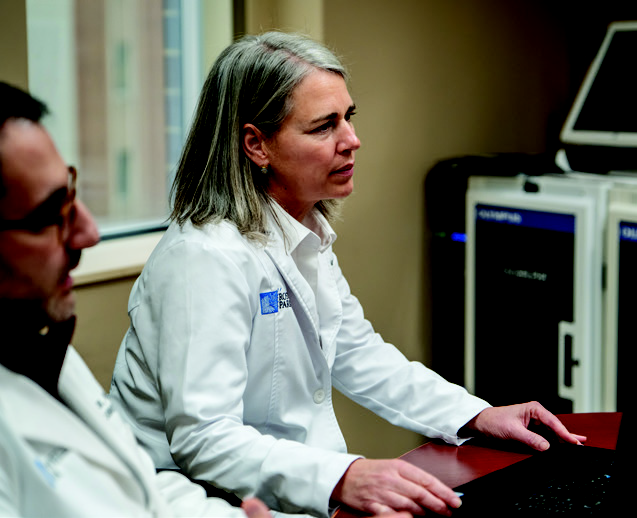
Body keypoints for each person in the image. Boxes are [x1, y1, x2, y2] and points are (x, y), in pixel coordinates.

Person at [109, 32, 587, 518]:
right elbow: (204, 438)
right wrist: (342, 477)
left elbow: (358, 352)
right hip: (194, 503)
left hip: (283, 490)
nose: (351, 140)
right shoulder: (203, 259)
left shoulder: (301, 228)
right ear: (256, 145)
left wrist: (476, 414)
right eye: (323, 127)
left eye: (348, 118)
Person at [0, 81, 276, 518]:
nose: (88, 233)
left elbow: (139, 486)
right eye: (51, 215)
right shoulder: (199, 257)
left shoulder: (39, 343)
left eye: (73, 196)